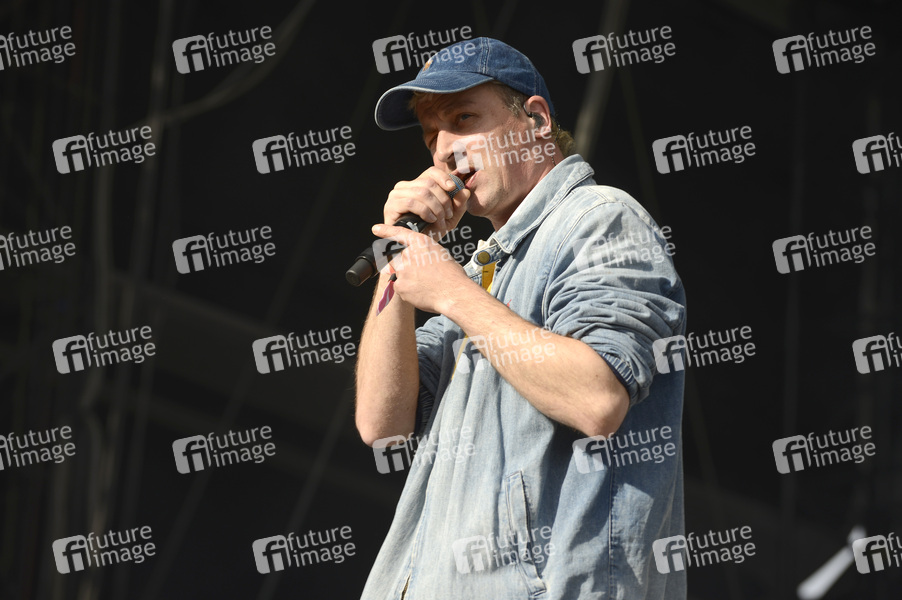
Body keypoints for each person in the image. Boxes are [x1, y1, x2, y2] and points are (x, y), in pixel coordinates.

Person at [356, 36, 687, 600]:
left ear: (535, 119)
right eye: (432, 135)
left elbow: (597, 398)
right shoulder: (481, 273)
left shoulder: (601, 219)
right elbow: (381, 424)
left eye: (463, 119)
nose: (443, 151)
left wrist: (453, 293)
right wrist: (398, 257)